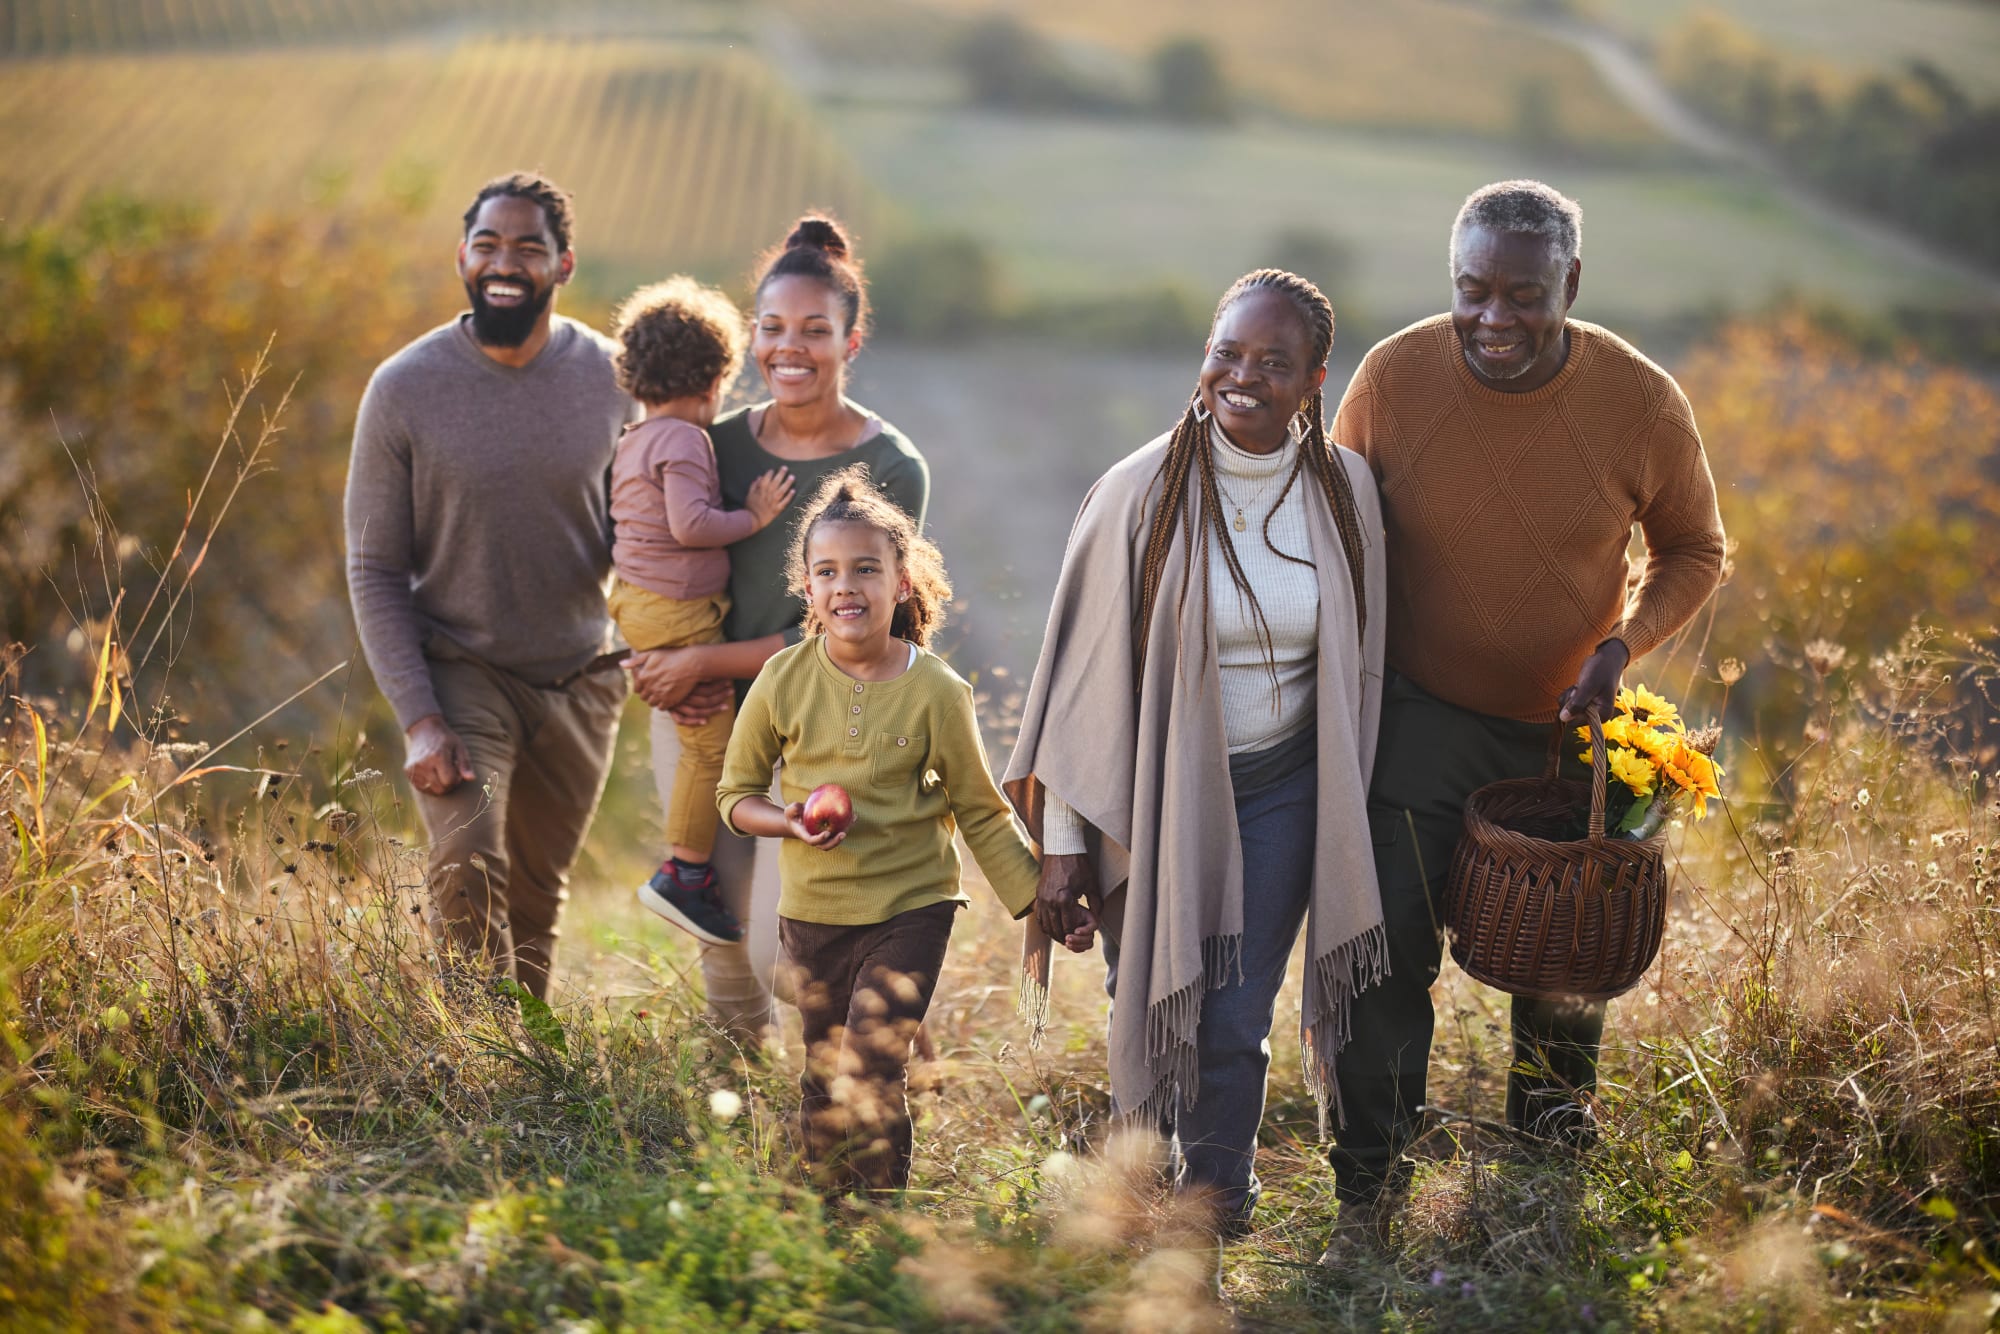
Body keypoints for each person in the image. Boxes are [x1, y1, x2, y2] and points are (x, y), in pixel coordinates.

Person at [1322, 179, 1726, 1252]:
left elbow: (1694, 548)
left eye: (1521, 293)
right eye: (1471, 289)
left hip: (1564, 737)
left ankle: (1542, 1185)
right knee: (1382, 954)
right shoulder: (1393, 375)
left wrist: (1617, 648)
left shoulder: (1637, 400)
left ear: (1570, 286)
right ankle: (1367, 1192)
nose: (1492, 316)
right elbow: (1327, 519)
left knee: (1560, 967)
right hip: (1413, 715)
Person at [1004, 269, 1388, 1240]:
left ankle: (1213, 1205)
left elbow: (1367, 663)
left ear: (1314, 377)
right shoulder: (1136, 493)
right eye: (1226, 352)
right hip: (1153, 795)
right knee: (1146, 1000)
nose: (1242, 375)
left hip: (1279, 790)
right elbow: (1076, 690)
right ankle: (1138, 1189)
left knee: (1230, 1014)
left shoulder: (1345, 495)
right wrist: (1061, 845)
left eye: (1272, 361)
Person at [627, 215, 929, 1047]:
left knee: (781, 959)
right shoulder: (708, 446)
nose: (789, 348)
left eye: (815, 331)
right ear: (750, 338)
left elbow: (847, 627)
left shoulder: (889, 466)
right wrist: (647, 653)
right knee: (716, 937)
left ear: (850, 340)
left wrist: (696, 658)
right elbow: (650, 555)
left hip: (821, 726)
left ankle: (865, 1076)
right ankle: (740, 1124)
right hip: (706, 719)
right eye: (771, 329)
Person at [344, 172, 632, 1002]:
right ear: (462, 258)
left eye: (529, 247)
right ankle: (470, 1060)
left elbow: (651, 531)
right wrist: (421, 718)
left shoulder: (614, 378)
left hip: (583, 677)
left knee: (538, 894)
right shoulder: (404, 387)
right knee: (468, 870)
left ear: (564, 264)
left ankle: (521, 1080)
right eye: (487, 245)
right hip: (461, 670)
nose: (506, 262)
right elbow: (372, 565)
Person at [717, 468, 1039, 1194]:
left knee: (870, 1062)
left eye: (867, 568)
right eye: (828, 571)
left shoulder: (938, 693)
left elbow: (981, 809)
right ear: (807, 587)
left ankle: (876, 1214)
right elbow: (735, 796)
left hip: (910, 907)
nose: (847, 586)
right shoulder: (782, 679)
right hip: (814, 912)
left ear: (902, 583)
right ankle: (825, 1211)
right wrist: (788, 821)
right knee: (825, 1070)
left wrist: (1036, 899)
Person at [604, 276, 795, 945]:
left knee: (695, 722)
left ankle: (689, 870)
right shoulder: (685, 439)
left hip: (641, 607)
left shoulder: (634, 437)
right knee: (708, 742)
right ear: (714, 378)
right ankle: (684, 874)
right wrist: (754, 516)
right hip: (676, 612)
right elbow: (689, 525)